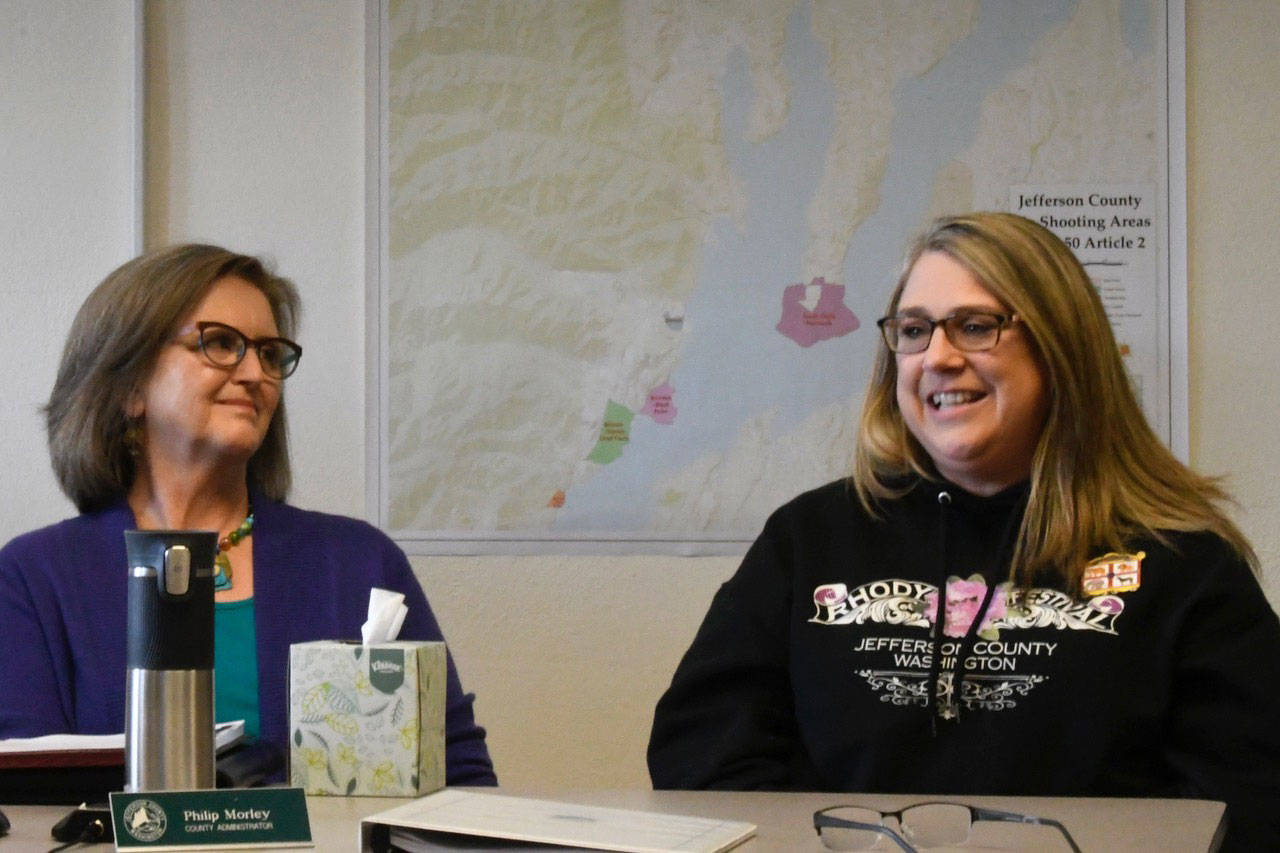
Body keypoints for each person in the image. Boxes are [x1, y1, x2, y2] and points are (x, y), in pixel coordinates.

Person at [647, 212, 1280, 849]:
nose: (939, 358)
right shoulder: (809, 538)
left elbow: (1249, 802)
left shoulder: (1183, 560)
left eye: (975, 327)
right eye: (914, 331)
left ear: (1061, 348)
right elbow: (703, 753)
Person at [0, 244, 496, 785]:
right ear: (130, 387)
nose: (256, 373)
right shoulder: (32, 577)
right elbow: (24, 795)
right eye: (220, 343)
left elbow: (458, 773)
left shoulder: (360, 561)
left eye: (269, 353)